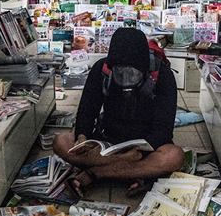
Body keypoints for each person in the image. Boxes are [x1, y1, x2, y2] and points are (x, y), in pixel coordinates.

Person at [53, 28, 183, 196]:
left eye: (132, 73)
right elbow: (87, 109)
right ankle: (132, 173)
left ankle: (96, 173)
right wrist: (82, 136)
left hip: (143, 148)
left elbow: (163, 129)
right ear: (112, 66)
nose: (126, 78)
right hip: (108, 141)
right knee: (61, 142)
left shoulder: (163, 76)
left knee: (174, 156)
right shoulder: (102, 69)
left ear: (143, 68)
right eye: (120, 72)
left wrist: (140, 151)